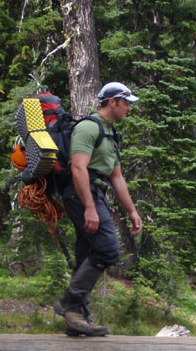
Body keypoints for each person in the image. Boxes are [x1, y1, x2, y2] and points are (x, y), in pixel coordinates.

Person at [53, 82, 143, 336]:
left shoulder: (109, 135)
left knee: (86, 255)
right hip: (81, 193)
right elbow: (78, 168)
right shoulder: (88, 127)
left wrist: (132, 212)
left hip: (95, 192)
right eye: (126, 103)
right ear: (112, 102)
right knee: (108, 250)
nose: (128, 108)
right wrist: (89, 208)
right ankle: (70, 302)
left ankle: (77, 318)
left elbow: (117, 178)